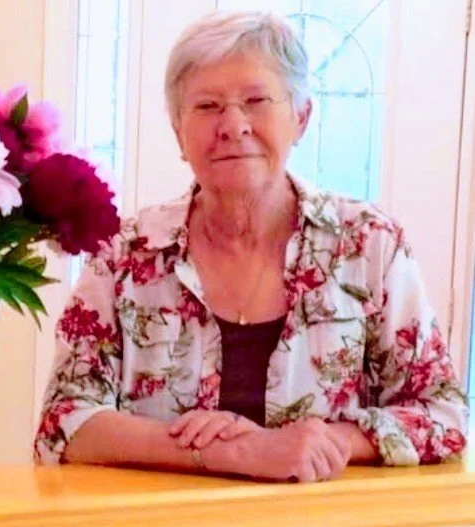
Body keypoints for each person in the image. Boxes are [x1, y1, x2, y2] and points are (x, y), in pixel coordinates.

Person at [34, 10, 468, 483]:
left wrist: (327, 441)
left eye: (257, 99)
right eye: (206, 106)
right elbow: (64, 423)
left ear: (300, 118)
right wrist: (231, 452)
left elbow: (442, 415)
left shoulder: (369, 244)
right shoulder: (123, 254)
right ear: (179, 132)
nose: (233, 124)